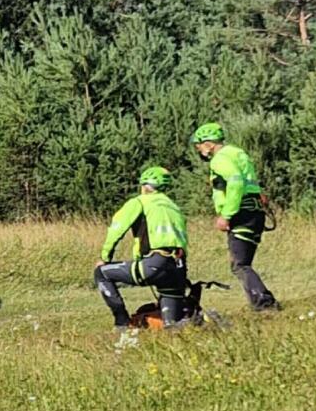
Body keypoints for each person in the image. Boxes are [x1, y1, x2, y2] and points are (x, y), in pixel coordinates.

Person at [191, 122, 280, 311]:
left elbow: (236, 182)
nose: (198, 150)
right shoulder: (238, 153)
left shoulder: (219, 159)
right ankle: (261, 302)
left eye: (198, 145)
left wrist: (226, 215)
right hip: (255, 212)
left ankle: (265, 304)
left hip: (241, 213)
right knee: (243, 263)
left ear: (208, 143)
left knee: (240, 265)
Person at [95, 167, 190, 329]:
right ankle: (204, 324)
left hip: (155, 263)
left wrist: (105, 258)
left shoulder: (139, 201)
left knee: (102, 274)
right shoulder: (174, 207)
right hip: (178, 268)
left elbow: (116, 230)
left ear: (145, 186)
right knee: (172, 327)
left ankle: (122, 323)